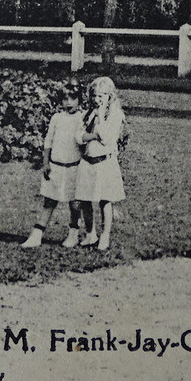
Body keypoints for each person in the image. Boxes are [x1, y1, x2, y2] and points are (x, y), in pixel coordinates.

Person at [20, 77, 87, 249]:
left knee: (75, 204)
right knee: (49, 201)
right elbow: (48, 142)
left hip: (74, 167)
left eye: (73, 98)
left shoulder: (82, 118)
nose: (68, 102)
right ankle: (37, 235)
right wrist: (46, 163)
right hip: (56, 166)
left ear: (79, 99)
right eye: (65, 99)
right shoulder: (57, 118)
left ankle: (73, 234)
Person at [75, 75, 127, 252]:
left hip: (104, 163)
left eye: (101, 96)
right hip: (87, 161)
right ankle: (91, 233)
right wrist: (92, 135)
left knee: (105, 201)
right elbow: (79, 136)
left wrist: (100, 119)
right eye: (94, 96)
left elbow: (107, 139)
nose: (97, 100)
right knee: (85, 199)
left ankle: (105, 235)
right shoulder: (87, 114)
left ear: (110, 96)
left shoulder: (115, 115)